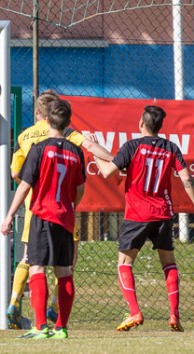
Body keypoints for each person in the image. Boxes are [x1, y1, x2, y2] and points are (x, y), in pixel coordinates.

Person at [6, 90, 114, 329]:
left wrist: (29, 188)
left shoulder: (27, 137)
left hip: (37, 206)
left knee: (31, 259)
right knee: (66, 267)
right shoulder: (73, 142)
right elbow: (85, 171)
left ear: (38, 113)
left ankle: (19, 305)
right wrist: (115, 160)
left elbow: (17, 174)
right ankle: (57, 314)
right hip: (65, 209)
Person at [89, 105, 194, 332]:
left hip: (138, 214)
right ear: (160, 126)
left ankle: (135, 311)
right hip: (163, 213)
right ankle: (174, 314)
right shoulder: (171, 147)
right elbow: (186, 179)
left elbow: (107, 172)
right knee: (169, 263)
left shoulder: (132, 146)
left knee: (124, 264)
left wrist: (93, 151)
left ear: (141, 123)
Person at [1, 100, 86, 339]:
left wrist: (8, 216)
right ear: (69, 124)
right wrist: (70, 205)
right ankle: (61, 327)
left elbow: (24, 186)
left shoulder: (39, 149)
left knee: (36, 266)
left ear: (46, 120)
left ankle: (40, 326)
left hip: (42, 215)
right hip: (65, 218)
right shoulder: (76, 151)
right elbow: (80, 189)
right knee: (64, 272)